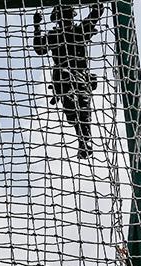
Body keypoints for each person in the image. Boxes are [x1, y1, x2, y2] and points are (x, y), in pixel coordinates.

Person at [33, 4, 103, 159]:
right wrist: (36, 26)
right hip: (63, 75)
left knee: (83, 107)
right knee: (72, 102)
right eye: (63, 16)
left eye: (68, 15)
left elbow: (96, 13)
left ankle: (84, 141)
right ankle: (83, 139)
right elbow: (40, 49)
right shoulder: (56, 35)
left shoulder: (79, 31)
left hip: (80, 77)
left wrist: (96, 6)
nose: (66, 19)